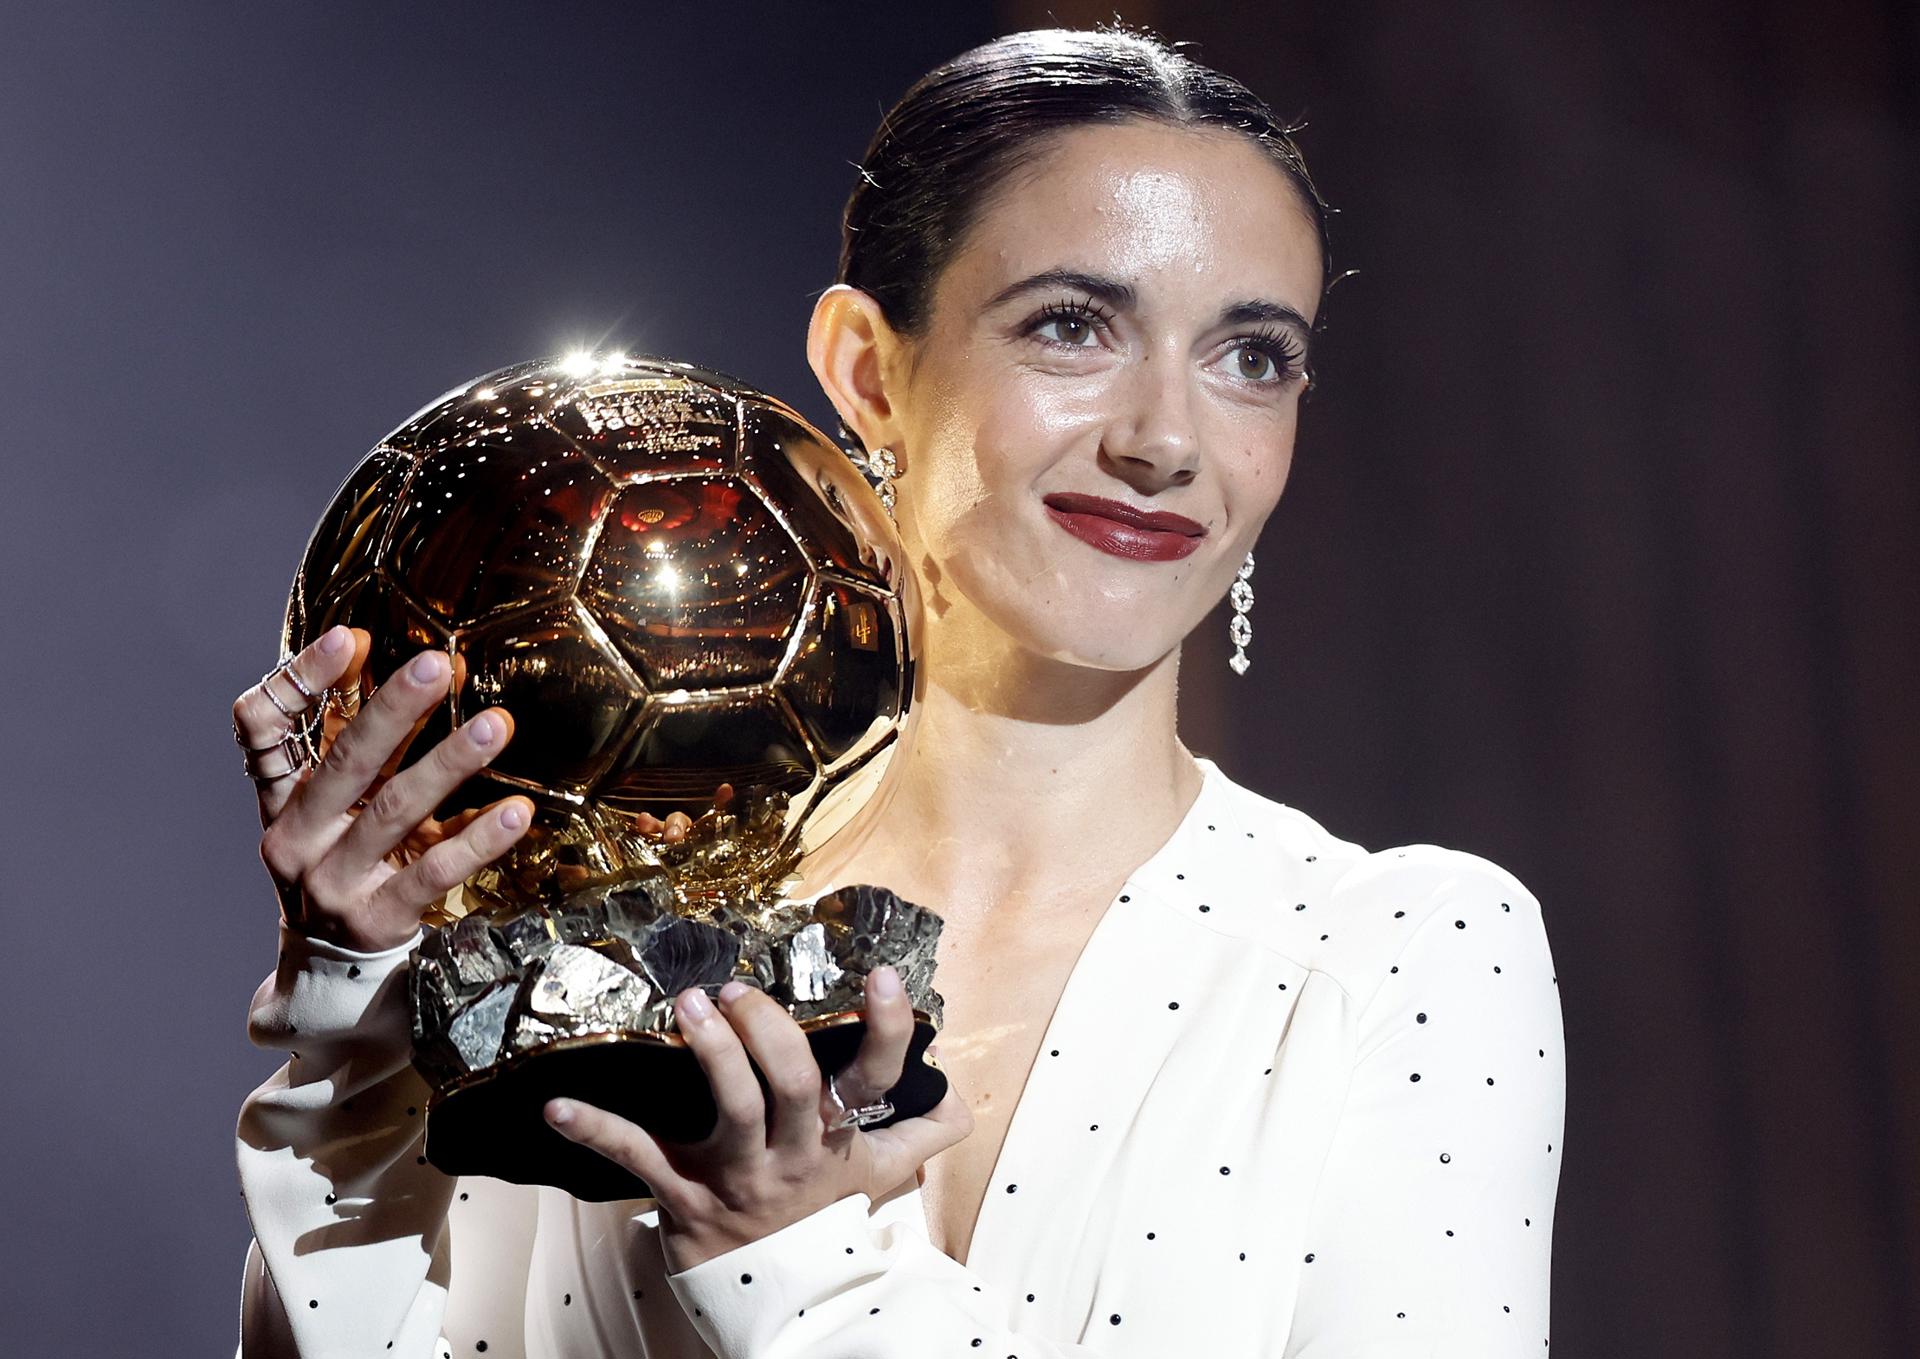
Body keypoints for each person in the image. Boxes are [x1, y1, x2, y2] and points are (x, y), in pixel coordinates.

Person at [231, 24, 1565, 1358]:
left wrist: (798, 1271)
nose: (1166, 438)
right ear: (869, 369)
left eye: (1252, 356)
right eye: (1072, 326)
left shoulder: (1396, 957)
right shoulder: (614, 919)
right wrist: (352, 1025)